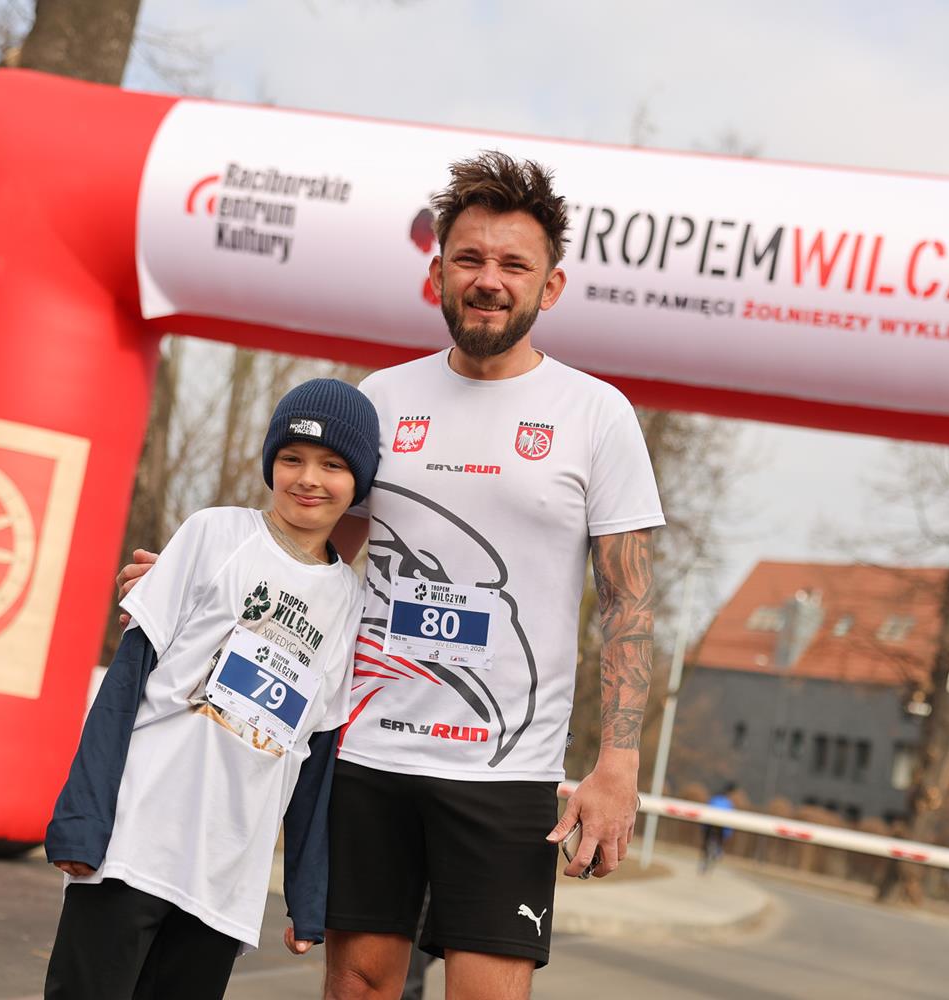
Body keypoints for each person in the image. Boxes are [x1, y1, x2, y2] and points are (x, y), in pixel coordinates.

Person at [119, 151, 663, 1000]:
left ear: (550, 286)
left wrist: (617, 765)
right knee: (359, 987)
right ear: (437, 274)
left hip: (506, 769)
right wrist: (205, 583)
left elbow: (629, 603)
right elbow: (314, 549)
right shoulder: (382, 400)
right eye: (469, 259)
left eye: (514, 265)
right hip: (369, 751)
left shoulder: (596, 415)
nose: (489, 280)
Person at [42, 378, 381, 1000]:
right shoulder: (215, 535)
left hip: (225, 882)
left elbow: (315, 761)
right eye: (292, 458)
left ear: (358, 482)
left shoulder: (350, 602)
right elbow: (123, 687)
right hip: (133, 845)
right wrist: (83, 819)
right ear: (270, 463)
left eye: (333, 465)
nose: (309, 478)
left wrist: (307, 895)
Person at [700, 784, 736, 873]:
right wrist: (728, 833)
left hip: (710, 824)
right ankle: (718, 851)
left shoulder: (714, 799)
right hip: (720, 826)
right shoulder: (728, 803)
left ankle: (707, 858)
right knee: (718, 840)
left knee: (706, 842)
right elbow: (729, 819)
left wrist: (703, 827)